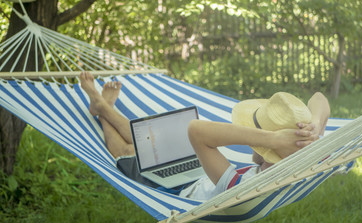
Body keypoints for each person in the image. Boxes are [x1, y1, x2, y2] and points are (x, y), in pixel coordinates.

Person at [79, 72, 330, 200]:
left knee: (129, 152)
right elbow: (319, 98)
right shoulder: (307, 157)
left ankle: (102, 110)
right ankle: (104, 107)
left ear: (264, 144)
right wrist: (315, 127)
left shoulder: (241, 187)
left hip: (181, 189)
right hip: (203, 169)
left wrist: (271, 139)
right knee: (150, 143)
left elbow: (195, 130)